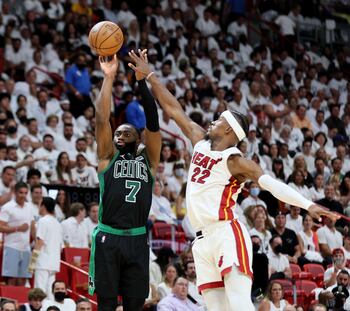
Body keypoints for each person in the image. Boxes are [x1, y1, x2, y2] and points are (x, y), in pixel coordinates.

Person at [128, 49, 338, 311]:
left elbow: (272, 184)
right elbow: (173, 107)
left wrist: (308, 205)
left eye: (217, 120)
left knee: (239, 304)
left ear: (228, 129)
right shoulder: (199, 141)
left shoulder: (235, 160)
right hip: (201, 240)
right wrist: (150, 75)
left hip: (227, 232)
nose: (211, 122)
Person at [88, 52, 161, 311]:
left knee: (135, 304)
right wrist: (109, 78)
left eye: (126, 132)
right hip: (109, 236)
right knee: (106, 304)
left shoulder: (149, 161)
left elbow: (153, 122)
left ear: (137, 138)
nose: (119, 134)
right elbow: (101, 118)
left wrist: (142, 82)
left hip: (138, 239)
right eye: (117, 132)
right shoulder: (107, 157)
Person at [0, 182, 35, 285]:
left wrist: (36, 241)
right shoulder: (7, 207)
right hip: (12, 247)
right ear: (15, 192)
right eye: (21, 193)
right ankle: (10, 301)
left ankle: (21, 300)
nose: (23, 195)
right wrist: (18, 228)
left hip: (26, 248)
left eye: (25, 193)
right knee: (11, 279)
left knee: (23, 279)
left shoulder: (29, 207)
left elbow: (32, 226)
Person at [28, 197, 63, 299]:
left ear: (43, 206)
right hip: (54, 263)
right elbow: (60, 246)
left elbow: (39, 242)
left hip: (42, 262)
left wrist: (32, 263)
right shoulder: (58, 223)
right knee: (50, 294)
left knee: (39, 291)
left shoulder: (43, 221)